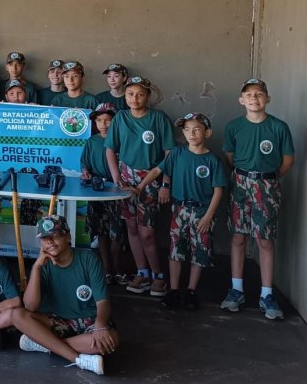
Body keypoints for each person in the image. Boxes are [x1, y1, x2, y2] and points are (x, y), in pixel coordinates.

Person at [127, 113, 226, 310]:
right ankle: (173, 290)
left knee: (199, 252)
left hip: (201, 212)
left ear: (208, 132)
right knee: (175, 251)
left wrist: (208, 216)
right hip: (179, 209)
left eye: (197, 129)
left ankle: (190, 291)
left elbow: (218, 191)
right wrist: (140, 186)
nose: (191, 133)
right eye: (187, 129)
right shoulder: (178, 153)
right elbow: (156, 171)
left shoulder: (212, 160)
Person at [220, 79, 295, 320]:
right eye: (249, 94)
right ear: (241, 100)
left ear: (267, 99)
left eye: (260, 94)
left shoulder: (279, 127)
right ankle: (236, 289)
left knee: (264, 240)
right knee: (239, 237)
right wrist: (247, 176)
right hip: (241, 184)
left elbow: (287, 161)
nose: (254, 98)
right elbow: (229, 156)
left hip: (268, 184)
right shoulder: (234, 127)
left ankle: (266, 294)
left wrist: (267, 179)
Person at [11, 215, 116, 376]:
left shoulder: (88, 258)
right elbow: (30, 306)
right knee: (17, 315)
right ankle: (78, 359)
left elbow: (102, 301)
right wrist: (37, 267)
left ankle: (45, 344)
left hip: (89, 320)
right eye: (45, 238)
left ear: (68, 236)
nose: (50, 242)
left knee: (110, 342)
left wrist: (100, 324)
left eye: (55, 235)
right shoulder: (43, 265)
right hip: (58, 321)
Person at [105, 76, 175, 297]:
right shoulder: (120, 118)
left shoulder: (158, 119)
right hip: (126, 179)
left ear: (148, 96)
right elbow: (110, 149)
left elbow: (169, 154)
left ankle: (158, 275)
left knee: (147, 232)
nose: (134, 98)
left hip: (151, 179)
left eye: (140, 94)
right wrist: (117, 177)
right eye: (130, 94)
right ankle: (142, 272)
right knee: (131, 228)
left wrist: (165, 184)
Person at [80, 104, 126, 285]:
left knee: (118, 232)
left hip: (119, 190)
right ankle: (107, 269)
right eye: (99, 120)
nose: (104, 124)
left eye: (108, 120)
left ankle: (118, 269)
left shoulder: (123, 140)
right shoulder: (92, 141)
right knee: (101, 232)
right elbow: (84, 162)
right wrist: (85, 171)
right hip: (98, 190)